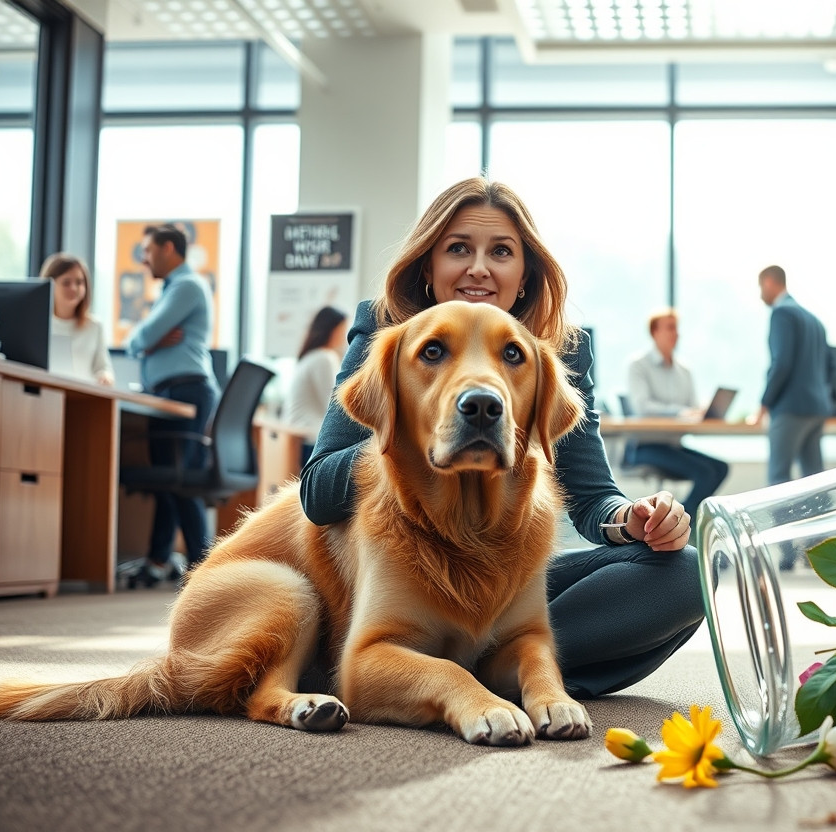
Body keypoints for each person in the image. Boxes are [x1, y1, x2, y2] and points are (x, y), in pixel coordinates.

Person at [300, 177, 704, 698]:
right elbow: (317, 492)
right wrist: (423, 425)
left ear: (524, 275)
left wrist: (631, 519)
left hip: (509, 579)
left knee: (687, 574)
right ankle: (425, 666)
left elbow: (590, 494)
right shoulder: (388, 330)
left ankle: (486, 667)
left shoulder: (560, 351)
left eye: (501, 252)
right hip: (405, 572)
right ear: (428, 267)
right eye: (458, 248)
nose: (479, 267)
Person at [123, 225, 221, 589]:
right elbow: (140, 341)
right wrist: (146, 341)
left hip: (185, 390)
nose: (144, 258)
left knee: (181, 483)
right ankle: (158, 560)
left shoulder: (186, 286)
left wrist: (147, 342)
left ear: (168, 248)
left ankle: (206, 573)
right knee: (170, 481)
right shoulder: (173, 289)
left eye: (148, 250)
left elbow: (140, 338)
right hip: (171, 392)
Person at [625, 308, 729, 516]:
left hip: (673, 446)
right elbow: (642, 407)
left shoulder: (684, 370)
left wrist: (701, 411)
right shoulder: (638, 365)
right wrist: (682, 412)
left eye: (677, 328)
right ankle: (681, 520)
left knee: (721, 468)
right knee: (705, 473)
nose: (676, 333)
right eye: (670, 328)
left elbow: (692, 408)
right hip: (645, 446)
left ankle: (679, 518)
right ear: (654, 332)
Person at [750, 264, 830, 486]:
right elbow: (831, 366)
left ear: (769, 282)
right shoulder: (814, 320)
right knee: (815, 481)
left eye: (760, 287)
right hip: (816, 409)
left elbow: (781, 364)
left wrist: (764, 404)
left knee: (779, 480)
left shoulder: (782, 313)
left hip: (791, 409)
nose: (760, 295)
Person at [285, 305, 349, 468]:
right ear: (331, 330)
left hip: (297, 439)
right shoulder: (324, 357)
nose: (345, 336)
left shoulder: (310, 356)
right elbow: (334, 406)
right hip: (311, 441)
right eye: (342, 330)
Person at [41, 253, 113, 385]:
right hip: (47, 392)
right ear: (50, 285)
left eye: (79, 282)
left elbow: (103, 368)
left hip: (83, 394)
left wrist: (105, 376)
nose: (74, 288)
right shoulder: (38, 325)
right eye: (66, 283)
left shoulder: (95, 326)